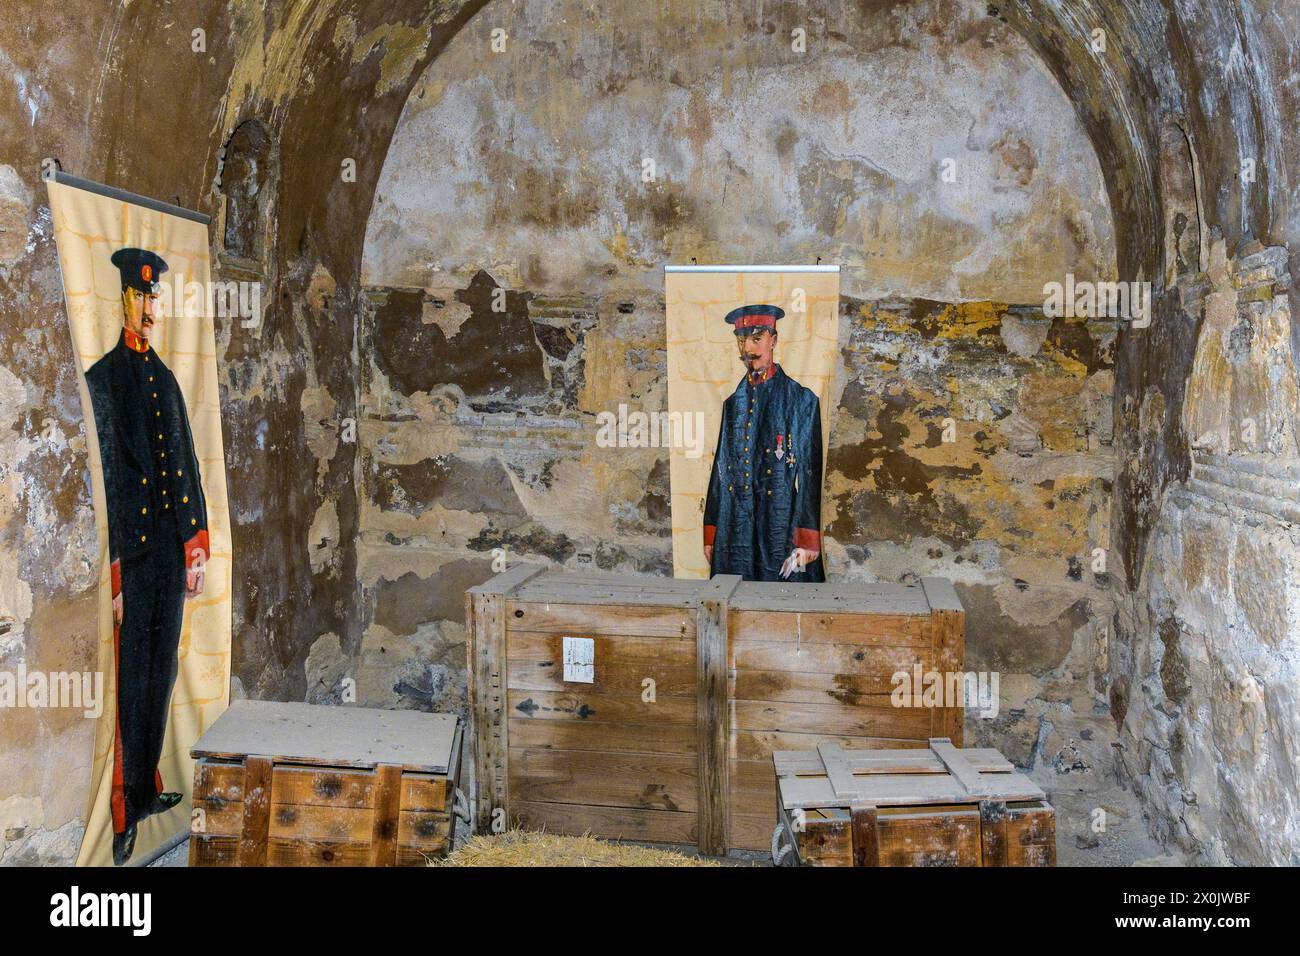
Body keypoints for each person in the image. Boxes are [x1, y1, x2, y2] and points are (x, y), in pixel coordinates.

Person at [84, 247, 209, 865]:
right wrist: (110, 570)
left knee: (160, 674)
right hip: (130, 558)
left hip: (163, 553)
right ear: (123, 299)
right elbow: (103, 482)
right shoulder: (103, 381)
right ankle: (124, 808)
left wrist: (194, 544)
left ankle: (145, 788)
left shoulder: (162, 379)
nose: (150, 308)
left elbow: (184, 464)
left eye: (155, 297)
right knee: (132, 681)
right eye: (142, 297)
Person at [703, 303, 825, 582]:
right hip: (734, 522)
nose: (748, 348)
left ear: (773, 339)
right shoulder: (733, 403)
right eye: (742, 339)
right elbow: (719, 471)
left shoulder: (801, 400)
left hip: (781, 522)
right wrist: (712, 530)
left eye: (756, 338)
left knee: (785, 605)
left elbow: (809, 472)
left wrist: (808, 539)